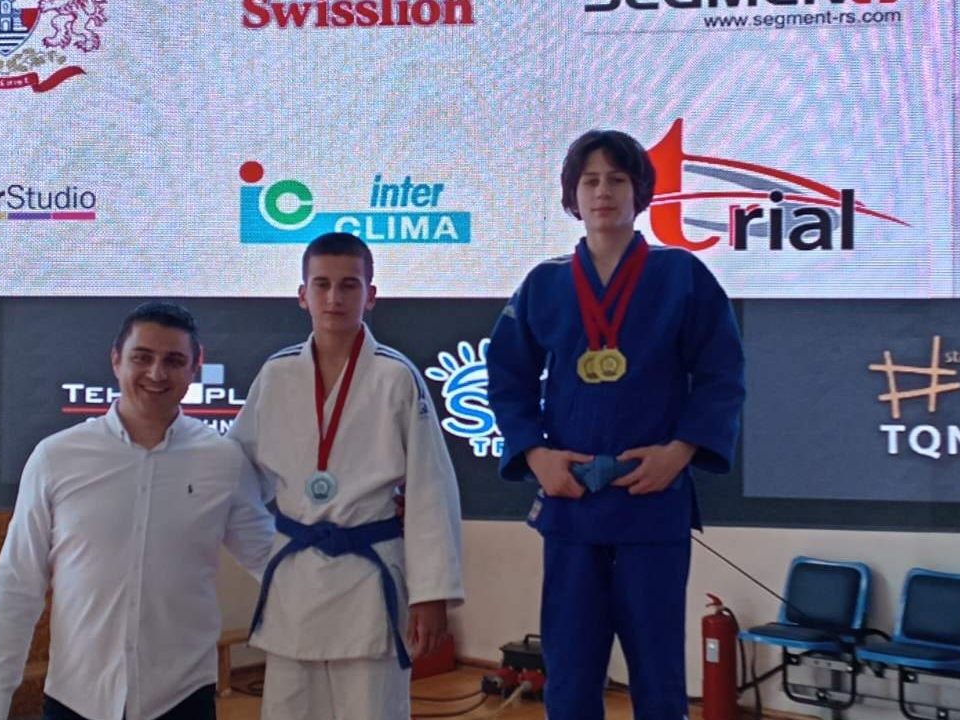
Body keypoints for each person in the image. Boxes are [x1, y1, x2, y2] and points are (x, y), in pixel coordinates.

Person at [486, 129, 746, 720]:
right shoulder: (545, 283)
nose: (603, 192)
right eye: (591, 181)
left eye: (617, 179)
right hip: (572, 502)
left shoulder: (682, 275)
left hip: (651, 498)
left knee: (658, 675)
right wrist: (535, 455)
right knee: (570, 675)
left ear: (640, 192)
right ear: (573, 196)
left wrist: (680, 451)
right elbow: (506, 376)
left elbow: (722, 373)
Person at [0, 302, 275, 720]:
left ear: (196, 366)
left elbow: (272, 564)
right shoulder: (56, 457)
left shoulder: (223, 461)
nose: (156, 373)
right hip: (76, 700)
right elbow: (17, 585)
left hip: (182, 700)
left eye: (174, 361)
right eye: (142, 357)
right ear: (116, 359)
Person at [230, 232, 464, 720]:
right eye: (322, 284)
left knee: (372, 707)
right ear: (302, 295)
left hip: (367, 576)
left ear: (370, 295)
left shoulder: (396, 376)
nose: (334, 297)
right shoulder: (276, 375)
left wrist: (432, 593)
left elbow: (431, 488)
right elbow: (235, 473)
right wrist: (262, 551)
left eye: (349, 285)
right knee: (289, 708)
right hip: (296, 576)